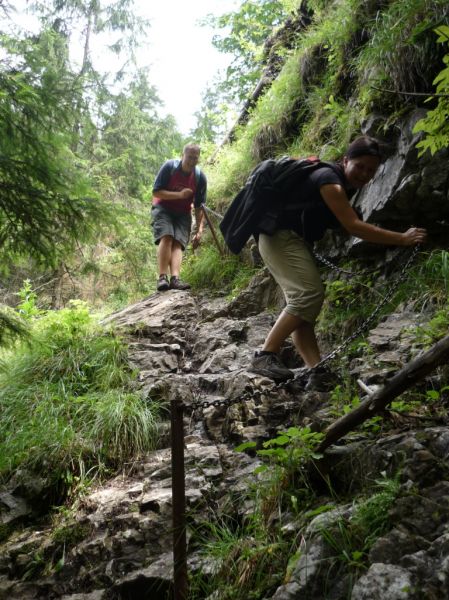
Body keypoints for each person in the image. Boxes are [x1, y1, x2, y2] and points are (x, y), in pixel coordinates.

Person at [251, 135, 427, 382]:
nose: (365, 174)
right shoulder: (330, 181)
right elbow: (353, 226)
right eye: (360, 166)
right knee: (308, 295)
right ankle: (265, 355)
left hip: (287, 239)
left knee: (305, 308)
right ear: (346, 161)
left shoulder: (343, 184)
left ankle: (316, 371)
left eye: (371, 170)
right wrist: (402, 238)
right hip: (279, 237)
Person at [152, 143, 207, 291]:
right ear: (183, 156)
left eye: (195, 158)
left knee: (179, 243)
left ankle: (175, 279)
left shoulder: (199, 177)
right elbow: (156, 192)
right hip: (163, 207)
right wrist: (180, 195)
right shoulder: (170, 167)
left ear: (198, 159)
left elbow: (199, 206)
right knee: (167, 236)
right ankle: (162, 277)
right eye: (189, 157)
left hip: (183, 212)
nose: (191, 161)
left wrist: (200, 230)